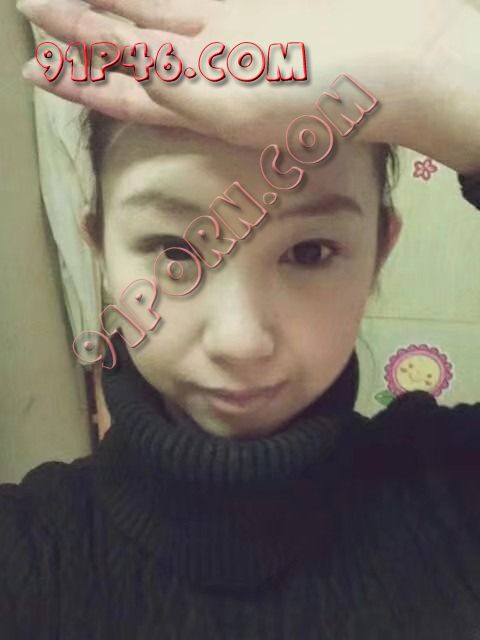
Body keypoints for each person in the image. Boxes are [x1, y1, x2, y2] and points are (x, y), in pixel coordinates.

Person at [1, 0, 479, 638]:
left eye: (310, 252)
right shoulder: (28, 559)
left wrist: (437, 58)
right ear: (101, 252)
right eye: (176, 254)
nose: (241, 341)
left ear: (378, 253)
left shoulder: (457, 494)